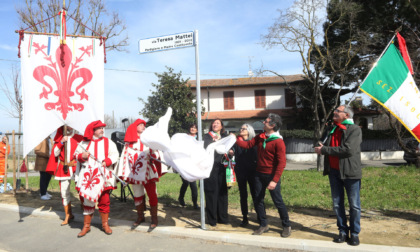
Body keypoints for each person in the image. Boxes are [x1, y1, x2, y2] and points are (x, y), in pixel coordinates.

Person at [235, 113, 291, 237]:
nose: (263, 123)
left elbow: (282, 163)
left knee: (278, 201)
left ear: (273, 125)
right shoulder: (261, 137)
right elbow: (248, 145)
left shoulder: (278, 142)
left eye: (266, 121)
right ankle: (264, 224)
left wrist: (274, 180)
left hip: (271, 176)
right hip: (258, 174)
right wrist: (236, 139)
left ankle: (286, 225)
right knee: (258, 200)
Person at [314, 105, 362, 246]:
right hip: (334, 172)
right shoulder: (332, 128)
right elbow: (322, 142)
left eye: (338, 111)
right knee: (337, 204)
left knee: (354, 205)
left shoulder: (354, 130)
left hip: (350, 172)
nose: (334, 112)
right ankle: (342, 231)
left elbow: (348, 150)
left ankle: (354, 234)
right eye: (334, 111)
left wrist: (325, 150)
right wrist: (320, 143)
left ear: (346, 115)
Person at [117, 119, 163, 232]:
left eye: (144, 125)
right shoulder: (129, 143)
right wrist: (124, 176)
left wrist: (152, 155)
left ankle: (154, 219)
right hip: (135, 174)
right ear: (135, 127)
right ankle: (140, 216)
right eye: (141, 125)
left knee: (152, 195)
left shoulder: (148, 140)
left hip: (149, 172)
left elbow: (157, 153)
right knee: (137, 195)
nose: (143, 126)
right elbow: (124, 159)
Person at [75, 120, 119, 237]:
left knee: (104, 201)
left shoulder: (108, 142)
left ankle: (105, 224)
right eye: (99, 128)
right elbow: (76, 155)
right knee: (87, 201)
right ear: (93, 131)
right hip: (88, 178)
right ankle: (86, 226)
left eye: (102, 128)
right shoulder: (83, 143)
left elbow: (115, 154)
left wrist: (107, 161)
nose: (102, 130)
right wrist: (82, 156)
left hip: (103, 177)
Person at [46, 126, 83, 226]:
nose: (69, 128)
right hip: (64, 168)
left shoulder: (79, 138)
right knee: (64, 192)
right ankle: (68, 214)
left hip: (76, 168)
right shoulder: (60, 139)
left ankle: (86, 211)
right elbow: (55, 153)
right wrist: (62, 142)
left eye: (71, 126)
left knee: (81, 189)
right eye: (67, 126)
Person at [229, 124, 257, 227]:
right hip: (240, 171)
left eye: (243, 129)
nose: (241, 130)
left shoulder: (254, 142)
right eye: (240, 128)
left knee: (256, 194)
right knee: (243, 195)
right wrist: (230, 152)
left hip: (253, 172)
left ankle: (260, 216)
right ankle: (245, 217)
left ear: (249, 131)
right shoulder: (236, 142)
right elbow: (230, 152)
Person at [203, 119, 229, 227]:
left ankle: (222, 217)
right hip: (210, 168)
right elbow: (206, 148)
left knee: (222, 193)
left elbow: (230, 150)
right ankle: (212, 219)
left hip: (222, 168)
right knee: (211, 193)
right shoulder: (207, 137)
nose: (215, 124)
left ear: (222, 126)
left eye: (217, 123)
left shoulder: (225, 137)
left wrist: (231, 152)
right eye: (213, 123)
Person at [178, 123, 199, 209]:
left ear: (197, 130)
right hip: (184, 163)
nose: (193, 129)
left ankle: (194, 202)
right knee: (186, 182)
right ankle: (181, 198)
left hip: (194, 164)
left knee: (193, 184)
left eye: (194, 128)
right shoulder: (184, 137)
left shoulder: (198, 138)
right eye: (191, 127)